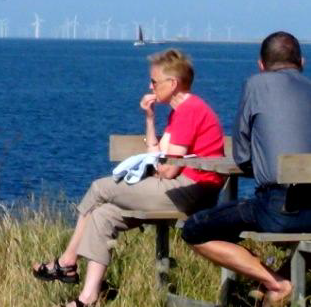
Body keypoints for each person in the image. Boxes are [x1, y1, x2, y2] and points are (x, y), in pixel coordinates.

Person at [32, 49, 226, 307]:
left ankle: (67, 261)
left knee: (99, 187)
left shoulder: (190, 110)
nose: (150, 86)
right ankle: (87, 299)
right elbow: (159, 157)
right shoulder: (179, 111)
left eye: (154, 81)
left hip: (192, 190)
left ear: (173, 83)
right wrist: (149, 118)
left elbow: (167, 169)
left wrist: (157, 165)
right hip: (181, 188)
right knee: (103, 215)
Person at [182, 31, 311, 306]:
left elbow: (242, 155)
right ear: (302, 61)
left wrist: (261, 165)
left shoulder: (255, 85)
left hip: (278, 208)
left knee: (194, 228)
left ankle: (275, 282)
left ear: (261, 65)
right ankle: (283, 280)